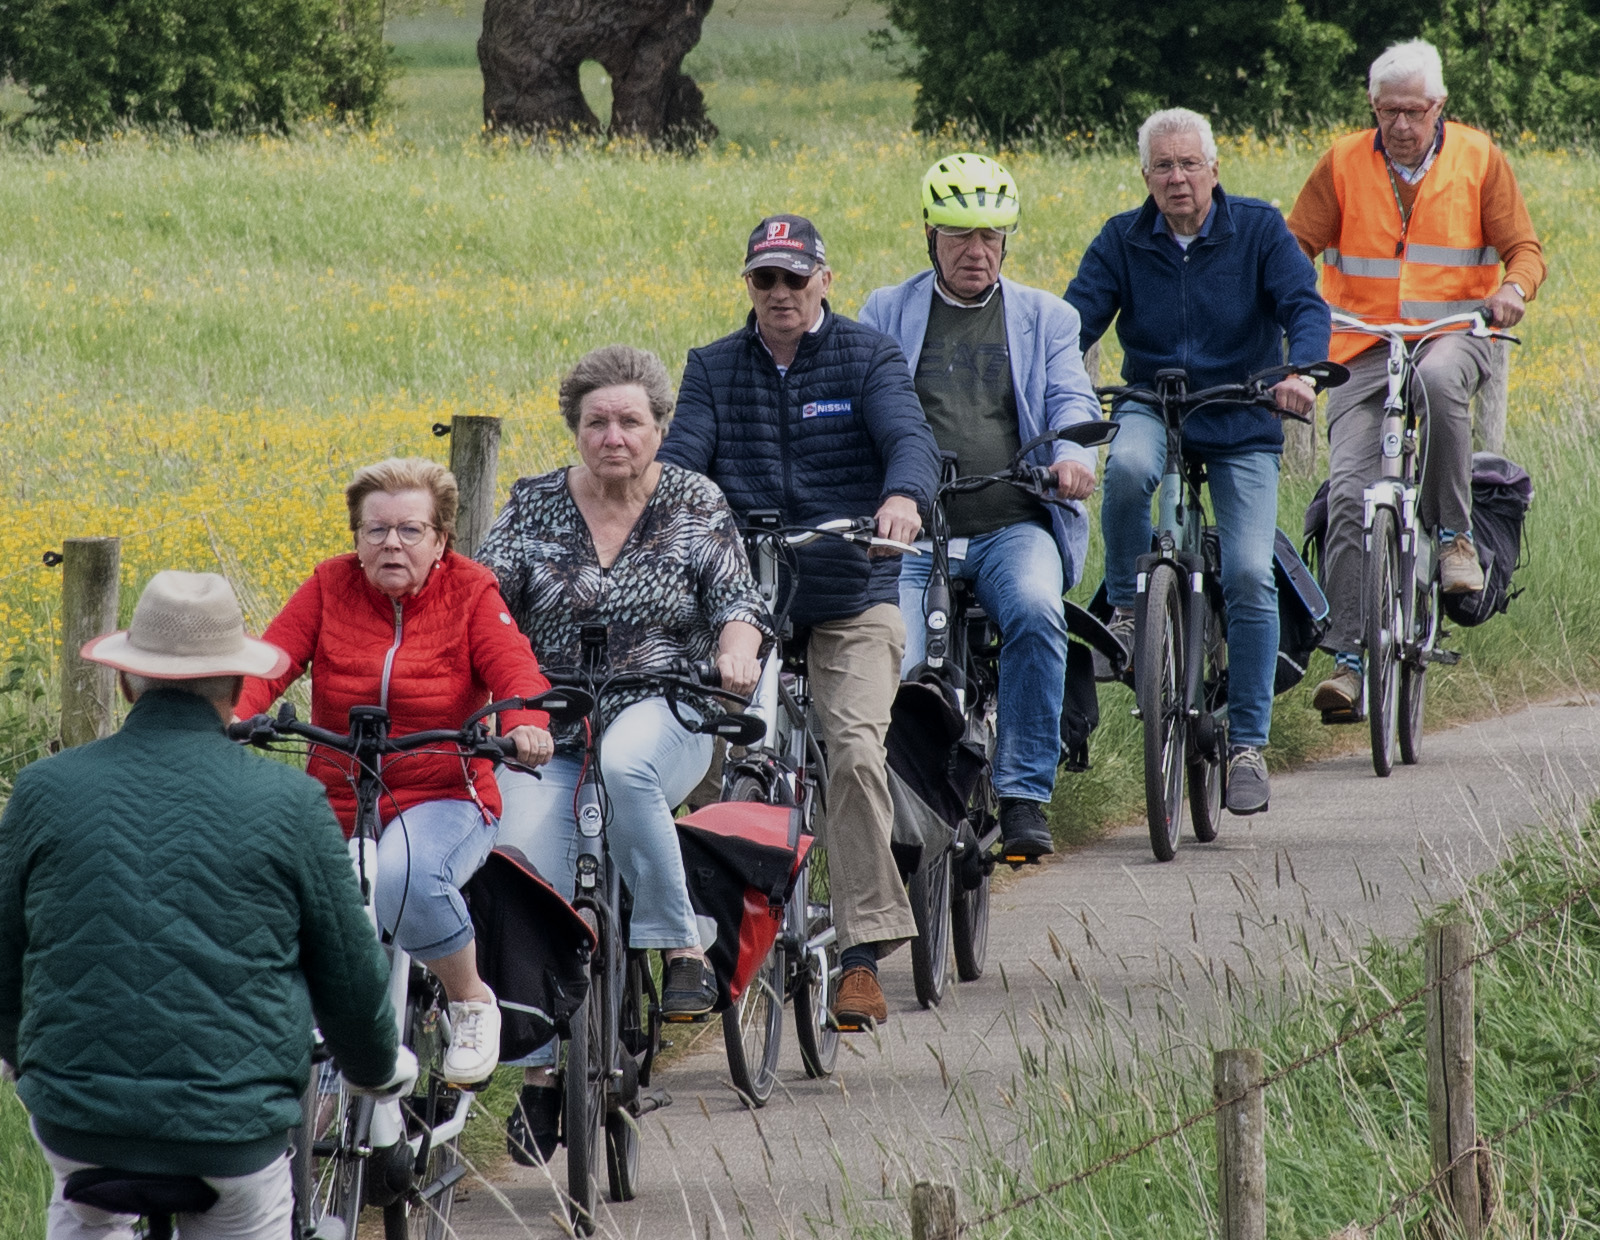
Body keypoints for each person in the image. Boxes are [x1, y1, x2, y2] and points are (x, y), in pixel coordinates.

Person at [0, 571, 410, 1240]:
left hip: (76, 1123)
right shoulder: (292, 803)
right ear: (237, 687)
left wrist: (31, 1056)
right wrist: (371, 1068)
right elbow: (349, 971)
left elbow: (4, 959)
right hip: (233, 1131)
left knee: (80, 1208)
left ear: (129, 681)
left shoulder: (44, 789)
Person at [476, 344, 770, 1164]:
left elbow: (737, 599)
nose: (614, 435)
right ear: (575, 429)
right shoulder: (534, 504)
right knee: (518, 857)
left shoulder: (693, 499)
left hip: (664, 705)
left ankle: (679, 946)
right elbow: (483, 602)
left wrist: (738, 648)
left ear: (659, 428)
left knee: (632, 765)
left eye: (630, 421)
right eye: (596, 421)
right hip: (552, 720)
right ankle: (538, 1079)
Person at [657, 213, 940, 1031]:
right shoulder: (713, 367)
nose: (779, 292)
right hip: (744, 604)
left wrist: (901, 498)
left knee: (853, 750)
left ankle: (860, 951)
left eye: (794, 277)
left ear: (824, 279)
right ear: (748, 285)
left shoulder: (868, 355)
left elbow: (907, 439)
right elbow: (683, 461)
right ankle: (702, 941)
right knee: (702, 753)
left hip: (853, 588)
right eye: (764, 279)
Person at [236, 457, 554, 1088]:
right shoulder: (329, 585)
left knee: (407, 880)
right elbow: (269, 663)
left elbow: (515, 670)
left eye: (410, 531)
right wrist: (230, 715)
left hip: (442, 793)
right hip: (336, 794)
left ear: (441, 540)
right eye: (374, 530)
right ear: (355, 538)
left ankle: (469, 1000)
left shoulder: (470, 590)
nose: (390, 544)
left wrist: (525, 724)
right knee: (265, 890)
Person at [1065, 107, 1331, 815]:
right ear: (1145, 175)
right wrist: (1055, 378)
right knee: (1125, 469)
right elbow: (1073, 322)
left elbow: (1304, 305)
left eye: (1190, 164)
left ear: (1215, 169)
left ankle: (1247, 744)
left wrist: (1299, 372)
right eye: (1163, 166)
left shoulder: (1259, 230)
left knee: (1247, 571)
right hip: (1157, 402)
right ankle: (1126, 607)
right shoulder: (1122, 240)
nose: (1177, 178)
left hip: (1243, 415)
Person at [1286, 39, 1546, 714]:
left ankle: (1456, 538)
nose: (1401, 125)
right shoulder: (1342, 161)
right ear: (1373, 105)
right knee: (1347, 491)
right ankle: (1346, 660)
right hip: (1361, 343)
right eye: (1389, 110)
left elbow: (1524, 249)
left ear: (1439, 107)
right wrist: (1283, 304)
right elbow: (1293, 251)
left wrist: (1514, 288)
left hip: (1453, 334)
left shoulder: (1480, 159)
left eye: (1415, 111)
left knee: (1436, 383)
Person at [860, 152, 1102, 857]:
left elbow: (1069, 398)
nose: (977, 251)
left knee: (1035, 612)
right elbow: (865, 405)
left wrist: (1072, 459)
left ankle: (1025, 794)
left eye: (991, 236)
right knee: (890, 656)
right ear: (930, 235)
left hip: (1010, 524)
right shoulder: (887, 310)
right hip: (911, 534)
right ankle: (899, 809)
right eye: (961, 235)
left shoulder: (1045, 317)